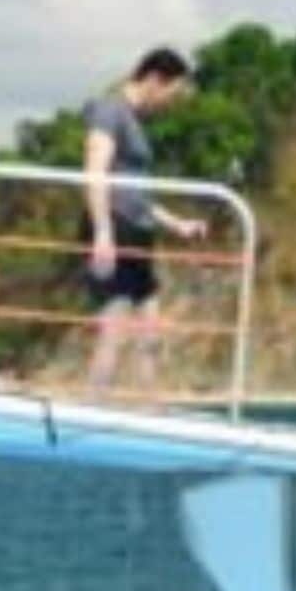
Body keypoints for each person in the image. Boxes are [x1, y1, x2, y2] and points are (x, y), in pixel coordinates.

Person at [81, 48, 208, 393]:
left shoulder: (136, 123)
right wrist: (103, 233)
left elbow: (138, 194)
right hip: (116, 231)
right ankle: (89, 409)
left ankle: (150, 408)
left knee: (150, 333)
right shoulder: (110, 111)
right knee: (115, 331)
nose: (172, 104)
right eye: (173, 94)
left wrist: (177, 224)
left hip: (138, 233)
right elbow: (95, 171)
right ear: (154, 80)